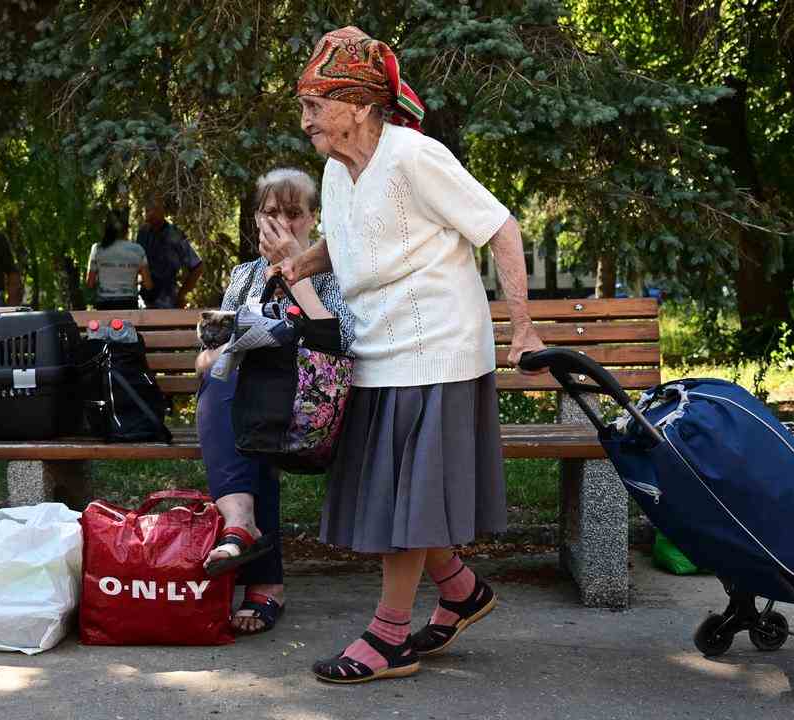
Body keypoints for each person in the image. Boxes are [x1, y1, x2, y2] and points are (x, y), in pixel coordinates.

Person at [273, 26, 546, 684]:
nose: (304, 117)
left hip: (436, 350)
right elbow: (350, 243)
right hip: (377, 349)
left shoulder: (414, 158)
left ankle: (389, 637)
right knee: (404, 492)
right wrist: (293, 265)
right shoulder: (337, 171)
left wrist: (523, 329)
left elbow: (500, 227)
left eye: (316, 103)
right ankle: (460, 590)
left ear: (361, 108)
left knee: (405, 501)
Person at [195, 168, 356, 635]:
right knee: (229, 383)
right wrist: (217, 353)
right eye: (271, 213)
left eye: (294, 213)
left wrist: (296, 267)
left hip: (314, 412)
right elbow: (208, 355)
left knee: (244, 404)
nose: (282, 223)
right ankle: (245, 533)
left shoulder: (335, 271)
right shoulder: (244, 275)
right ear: (256, 219)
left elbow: (340, 342)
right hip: (256, 411)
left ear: (313, 220)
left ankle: (253, 556)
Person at [136, 193, 203, 308]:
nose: (149, 215)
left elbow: (197, 267)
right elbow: (135, 265)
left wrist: (181, 295)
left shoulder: (174, 235)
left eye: (153, 210)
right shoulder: (143, 234)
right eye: (147, 210)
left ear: (162, 211)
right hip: (143, 300)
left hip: (167, 301)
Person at [86, 207, 151, 311]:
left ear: (106, 228)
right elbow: (148, 284)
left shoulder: (97, 249)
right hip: (129, 305)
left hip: (104, 305)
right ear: (126, 229)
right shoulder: (138, 250)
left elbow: (90, 283)